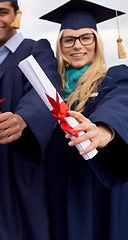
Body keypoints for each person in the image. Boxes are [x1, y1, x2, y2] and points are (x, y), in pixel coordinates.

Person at [0, 0, 62, 239]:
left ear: (16, 15)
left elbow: (46, 87)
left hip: (21, 165)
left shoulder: (36, 49)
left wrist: (23, 119)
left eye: (3, 12)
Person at [40, 1, 128, 240]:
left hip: (95, 185)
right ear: (60, 45)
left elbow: (122, 103)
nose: (77, 46)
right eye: (68, 39)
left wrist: (103, 131)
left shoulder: (112, 78)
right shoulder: (49, 87)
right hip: (55, 183)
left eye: (85, 38)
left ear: (96, 42)